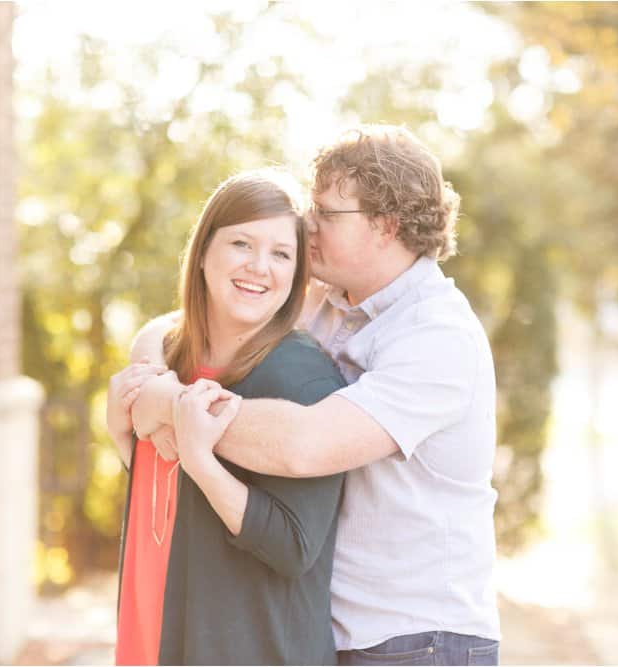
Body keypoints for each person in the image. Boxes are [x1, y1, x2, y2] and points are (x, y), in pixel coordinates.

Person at [126, 125, 502, 666]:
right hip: (335, 634)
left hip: (419, 643)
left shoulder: (437, 336)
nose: (308, 225)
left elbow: (302, 446)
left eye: (326, 213)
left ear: (385, 225)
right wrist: (151, 369)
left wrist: (167, 405)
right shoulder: (329, 301)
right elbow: (186, 325)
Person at [106, 170, 347, 665]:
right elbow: (177, 506)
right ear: (202, 253)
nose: (259, 267)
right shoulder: (170, 361)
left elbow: (294, 547)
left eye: (281, 254)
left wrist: (202, 459)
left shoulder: (302, 377)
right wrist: (123, 438)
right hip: (152, 638)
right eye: (242, 243)